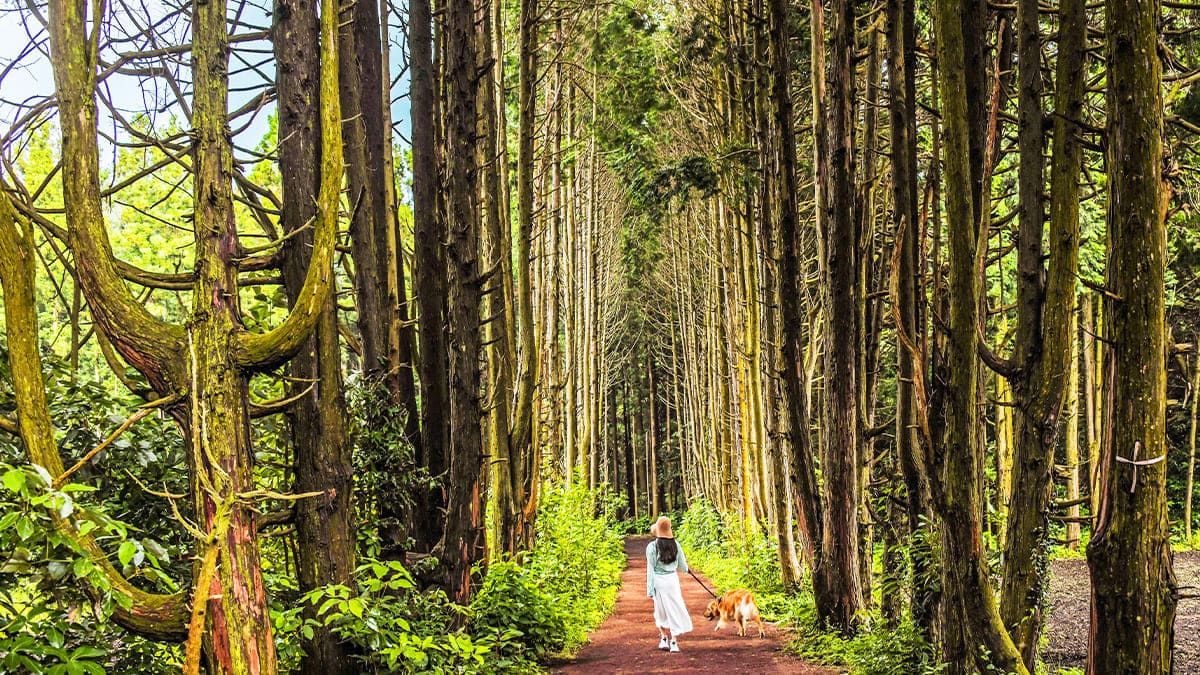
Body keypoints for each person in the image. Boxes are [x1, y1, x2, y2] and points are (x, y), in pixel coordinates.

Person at [646, 515, 692, 652]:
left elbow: (650, 569)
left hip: (659, 582)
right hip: (672, 581)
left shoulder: (652, 547)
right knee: (673, 610)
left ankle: (663, 638)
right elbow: (683, 566)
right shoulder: (676, 545)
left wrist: (650, 589)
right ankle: (674, 642)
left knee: (660, 611)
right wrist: (687, 570)